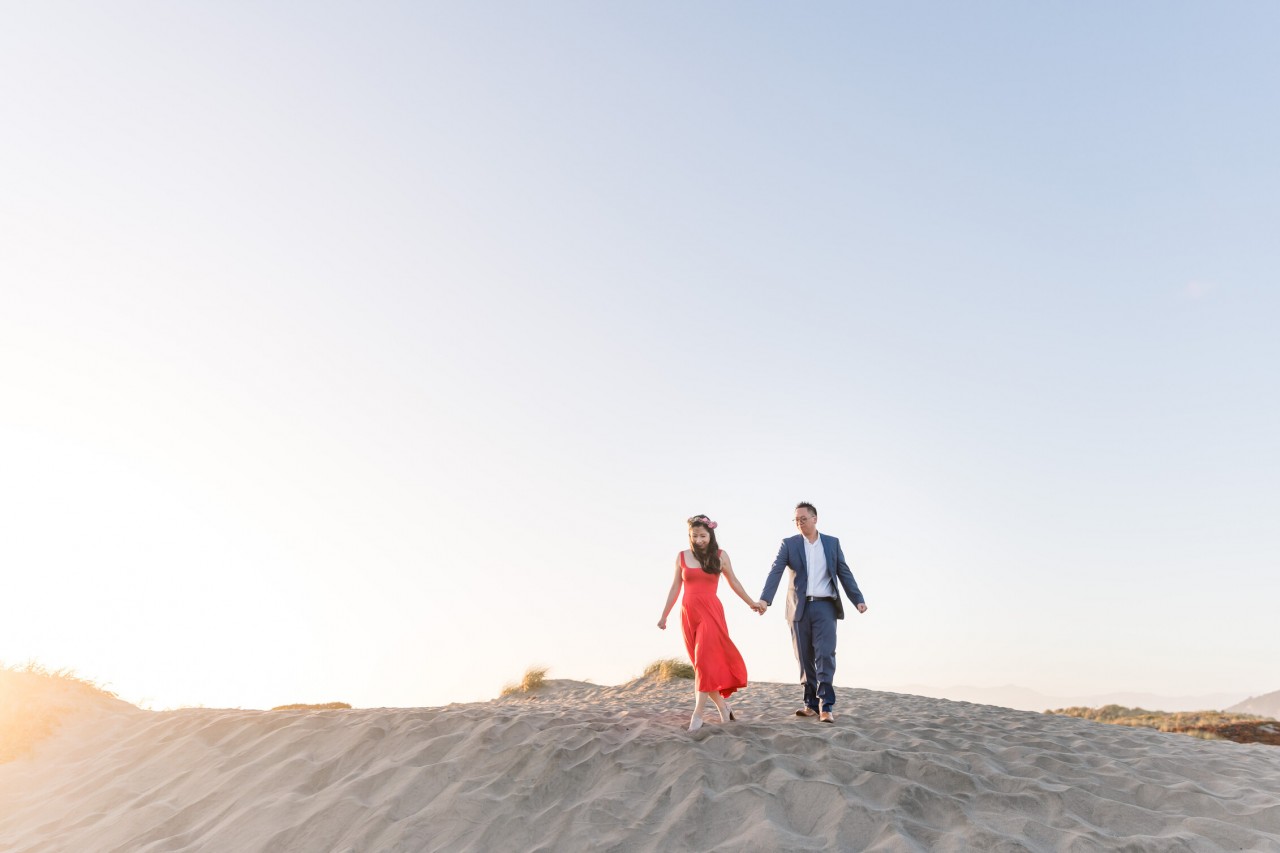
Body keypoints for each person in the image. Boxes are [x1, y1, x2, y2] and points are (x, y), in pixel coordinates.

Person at [755, 502, 867, 723]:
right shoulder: (789, 544)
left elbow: (844, 572)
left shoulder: (832, 543)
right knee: (804, 657)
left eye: (803, 519)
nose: (799, 523)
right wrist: (765, 600)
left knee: (825, 654)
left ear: (815, 519)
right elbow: (776, 571)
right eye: (796, 520)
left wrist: (858, 599)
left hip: (825, 606)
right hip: (799, 607)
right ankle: (810, 704)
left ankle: (826, 705)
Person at [658, 514, 763, 731]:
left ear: (711, 535)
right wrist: (664, 615)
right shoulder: (682, 557)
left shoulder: (720, 556)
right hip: (688, 614)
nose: (698, 540)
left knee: (704, 662)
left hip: (710, 613)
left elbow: (734, 582)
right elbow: (675, 587)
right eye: (694, 536)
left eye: (703, 536)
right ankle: (723, 708)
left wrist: (751, 602)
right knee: (701, 666)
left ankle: (697, 715)